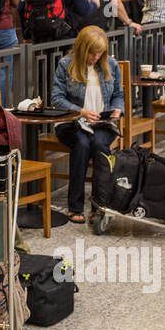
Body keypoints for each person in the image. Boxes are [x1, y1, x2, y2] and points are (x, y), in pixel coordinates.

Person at [50, 28, 124, 223]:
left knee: (99, 145)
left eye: (99, 53)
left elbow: (118, 94)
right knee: (82, 144)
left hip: (102, 123)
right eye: (92, 53)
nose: (95, 57)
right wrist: (80, 112)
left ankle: (99, 205)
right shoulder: (66, 64)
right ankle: (75, 206)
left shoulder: (110, 65)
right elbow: (56, 99)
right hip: (71, 123)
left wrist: (117, 110)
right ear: (82, 49)